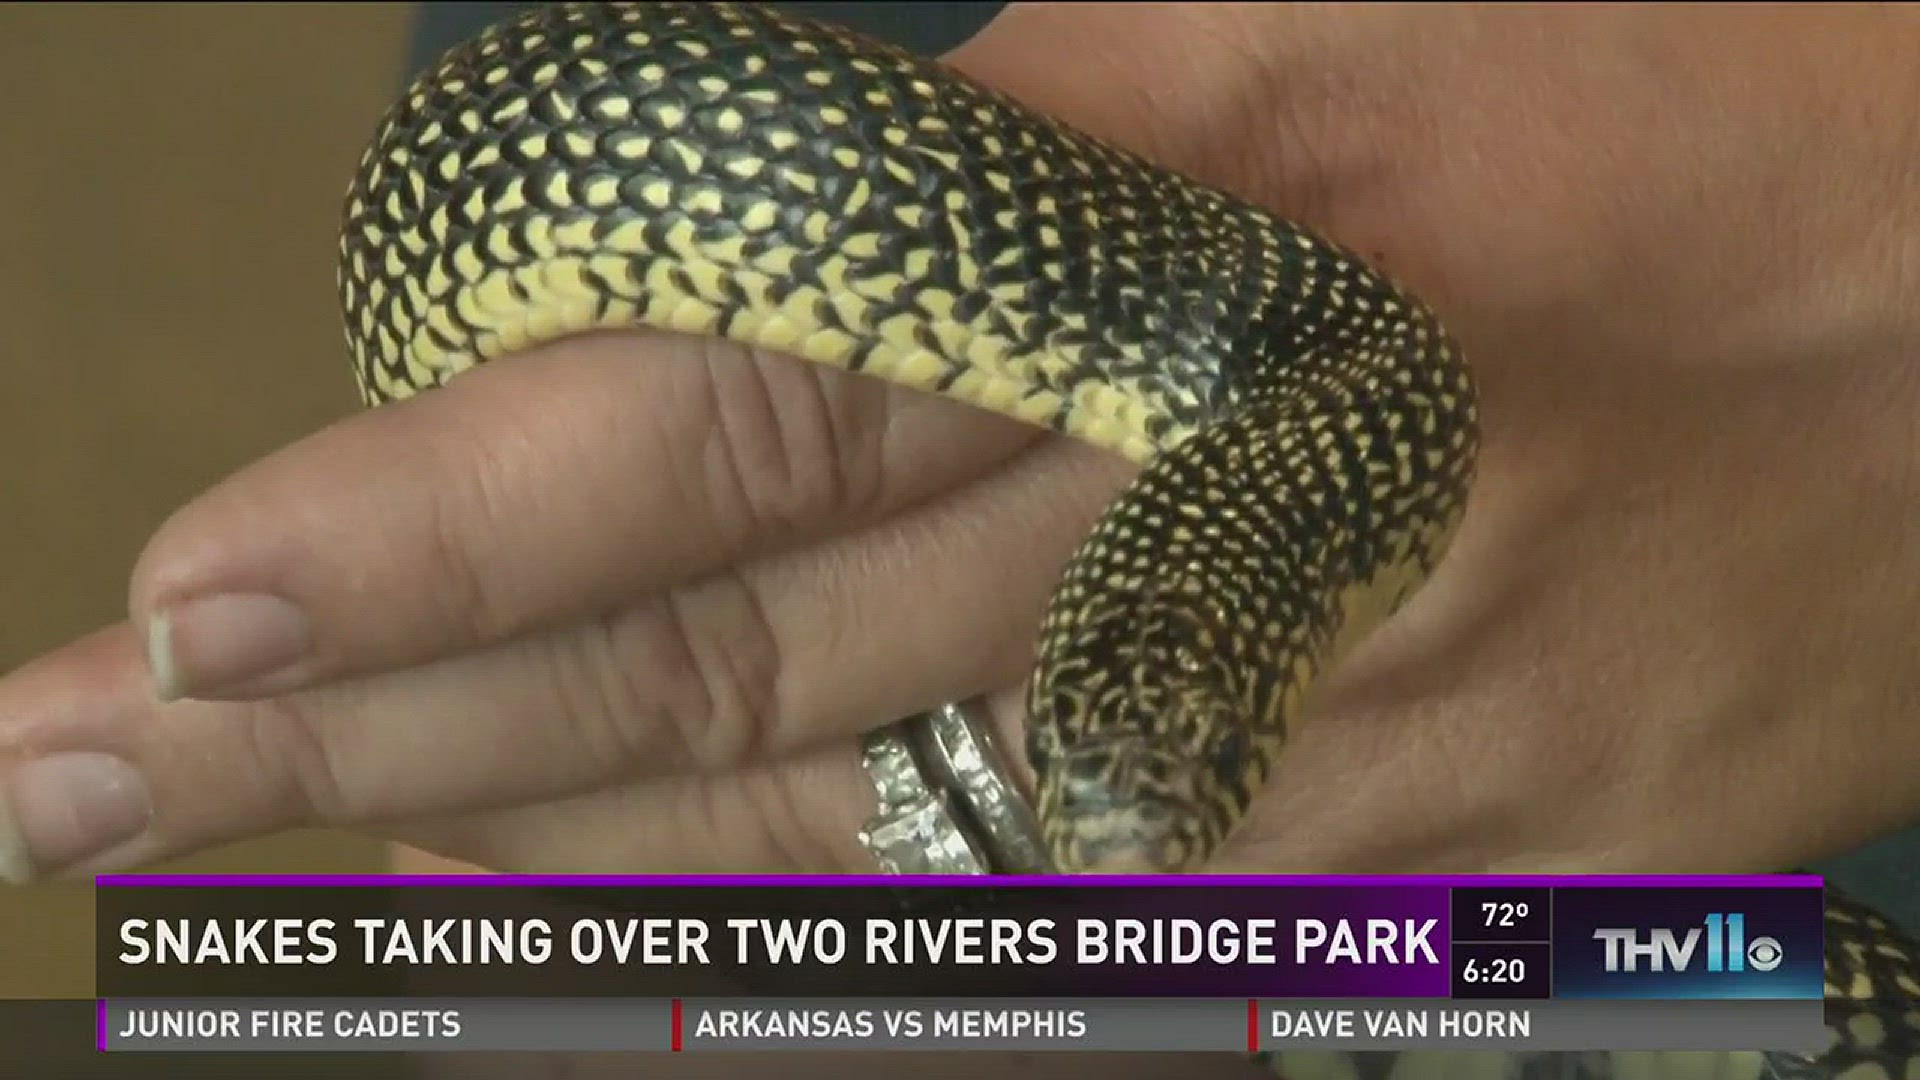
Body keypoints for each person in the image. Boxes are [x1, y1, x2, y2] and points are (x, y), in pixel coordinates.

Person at [2, 0, 1917, 1027]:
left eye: (1177, 790)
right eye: (1117, 809)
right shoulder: (1317, 427)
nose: (1137, 868)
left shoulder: (1353, 426)